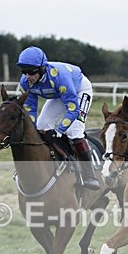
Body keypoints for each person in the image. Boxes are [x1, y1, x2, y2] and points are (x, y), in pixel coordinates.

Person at [16, 46, 100, 190]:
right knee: (42, 126)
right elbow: (30, 109)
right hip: (59, 94)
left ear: (42, 68)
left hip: (79, 90)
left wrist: (59, 130)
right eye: (24, 72)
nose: (28, 76)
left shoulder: (59, 77)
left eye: (31, 72)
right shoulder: (25, 82)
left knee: (74, 130)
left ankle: (89, 174)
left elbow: (73, 109)